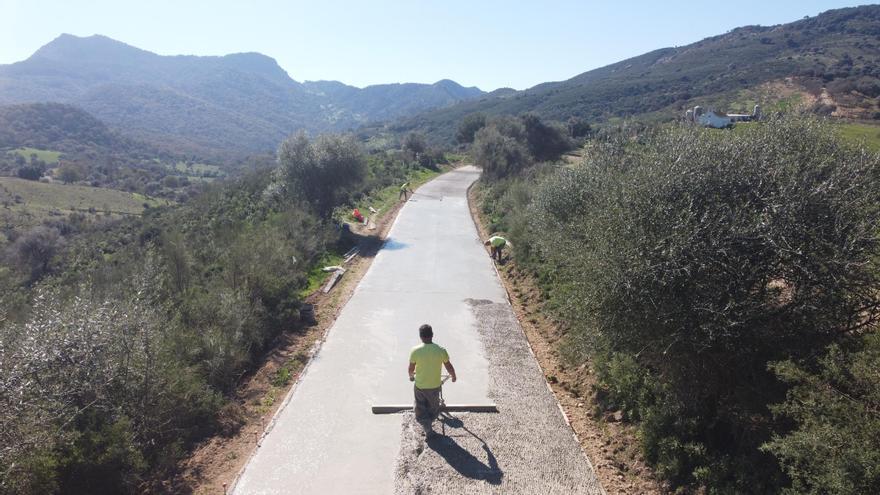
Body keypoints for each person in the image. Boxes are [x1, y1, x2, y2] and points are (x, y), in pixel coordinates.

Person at [408, 324, 456, 438]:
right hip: (434, 386)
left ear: (420, 336)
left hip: (420, 386)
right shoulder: (441, 350)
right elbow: (449, 366)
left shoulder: (415, 351)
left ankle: (427, 427)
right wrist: (453, 376)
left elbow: (411, 368)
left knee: (420, 406)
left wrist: (411, 377)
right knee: (433, 407)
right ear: (432, 335)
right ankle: (429, 423)